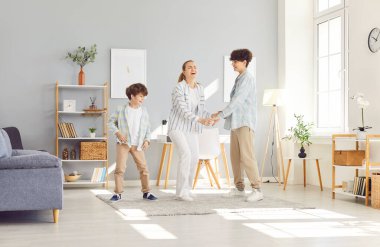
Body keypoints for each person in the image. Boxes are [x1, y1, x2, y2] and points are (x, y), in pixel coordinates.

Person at [212, 49, 263, 202]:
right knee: (235, 157)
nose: (233, 64)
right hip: (236, 122)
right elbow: (236, 103)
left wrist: (221, 115)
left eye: (235, 61)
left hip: (245, 122)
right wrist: (221, 112)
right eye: (232, 61)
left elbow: (238, 101)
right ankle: (239, 188)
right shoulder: (240, 78)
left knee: (247, 157)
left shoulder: (248, 78)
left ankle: (257, 189)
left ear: (244, 62)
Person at [168, 60, 215, 201]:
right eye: (189, 67)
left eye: (195, 67)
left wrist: (211, 117)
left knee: (194, 157)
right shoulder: (179, 88)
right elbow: (182, 110)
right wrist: (201, 120)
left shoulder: (200, 88)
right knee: (186, 154)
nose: (193, 69)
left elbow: (201, 109)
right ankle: (181, 193)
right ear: (184, 71)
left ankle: (187, 189)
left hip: (190, 128)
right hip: (177, 127)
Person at [108, 83, 157, 201]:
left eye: (143, 96)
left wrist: (147, 140)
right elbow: (110, 122)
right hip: (123, 144)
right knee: (120, 169)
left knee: (144, 169)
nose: (142, 99)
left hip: (138, 144)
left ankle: (147, 192)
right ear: (132, 96)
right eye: (140, 96)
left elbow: (148, 128)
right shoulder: (121, 109)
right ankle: (118, 193)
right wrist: (118, 133)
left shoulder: (144, 111)